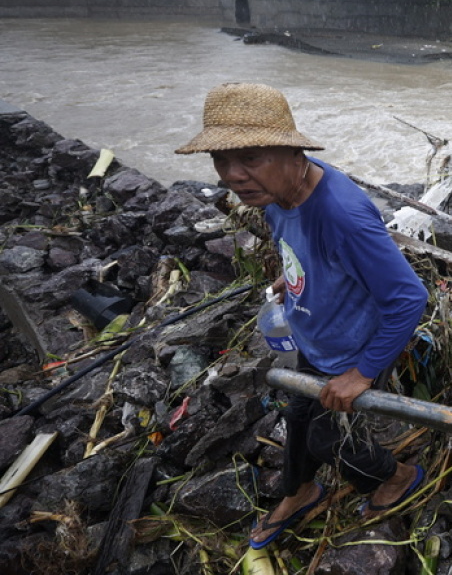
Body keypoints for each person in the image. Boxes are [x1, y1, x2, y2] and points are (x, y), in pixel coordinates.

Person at [175, 82, 430, 549]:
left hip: (355, 348)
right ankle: (301, 491)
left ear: (294, 152)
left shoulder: (343, 215)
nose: (232, 175)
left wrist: (362, 373)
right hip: (317, 336)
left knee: (328, 439)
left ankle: (399, 476)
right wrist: (292, 275)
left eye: (250, 158)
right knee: (298, 418)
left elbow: (409, 298)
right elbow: (295, 242)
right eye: (221, 160)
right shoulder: (275, 195)